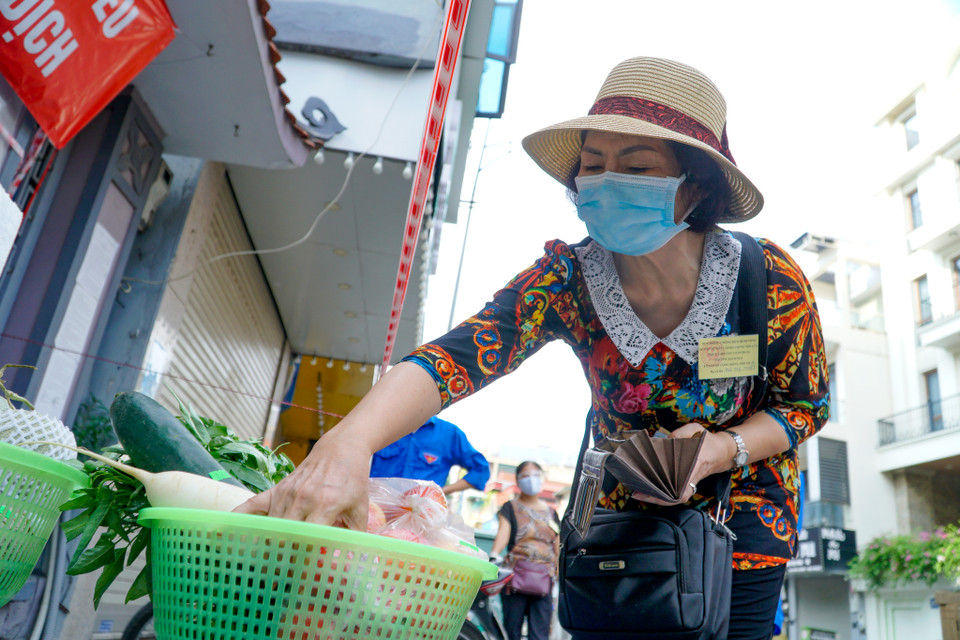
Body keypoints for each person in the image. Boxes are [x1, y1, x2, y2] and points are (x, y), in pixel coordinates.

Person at [237, 56, 829, 640]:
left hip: (744, 526)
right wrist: (350, 442)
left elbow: (806, 406)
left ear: (695, 188)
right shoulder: (566, 279)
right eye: (592, 164)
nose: (604, 181)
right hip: (623, 538)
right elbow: (456, 358)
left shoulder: (767, 278)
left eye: (636, 165)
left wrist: (718, 449)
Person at [489, 461, 559, 640]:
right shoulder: (510, 507)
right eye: (526, 475)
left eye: (535, 475)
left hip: (545, 578)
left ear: (542, 478)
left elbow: (557, 545)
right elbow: (503, 534)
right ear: (518, 481)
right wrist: (494, 555)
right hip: (515, 577)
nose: (531, 480)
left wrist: (559, 570)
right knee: (511, 631)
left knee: (540, 634)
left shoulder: (551, 513)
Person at [369, 415, 490, 495]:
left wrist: (442, 492)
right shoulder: (384, 424)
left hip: (421, 516)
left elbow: (481, 470)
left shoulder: (449, 434)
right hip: (376, 510)